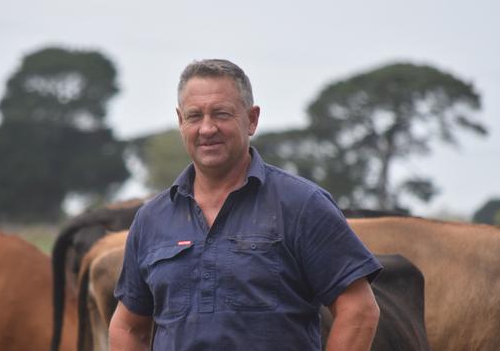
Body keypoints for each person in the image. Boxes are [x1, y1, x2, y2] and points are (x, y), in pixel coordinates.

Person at [109, 59, 382, 350]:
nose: (207, 128)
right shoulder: (152, 219)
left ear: (251, 119)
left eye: (221, 114)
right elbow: (127, 326)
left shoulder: (302, 205)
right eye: (194, 116)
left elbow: (359, 311)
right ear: (180, 122)